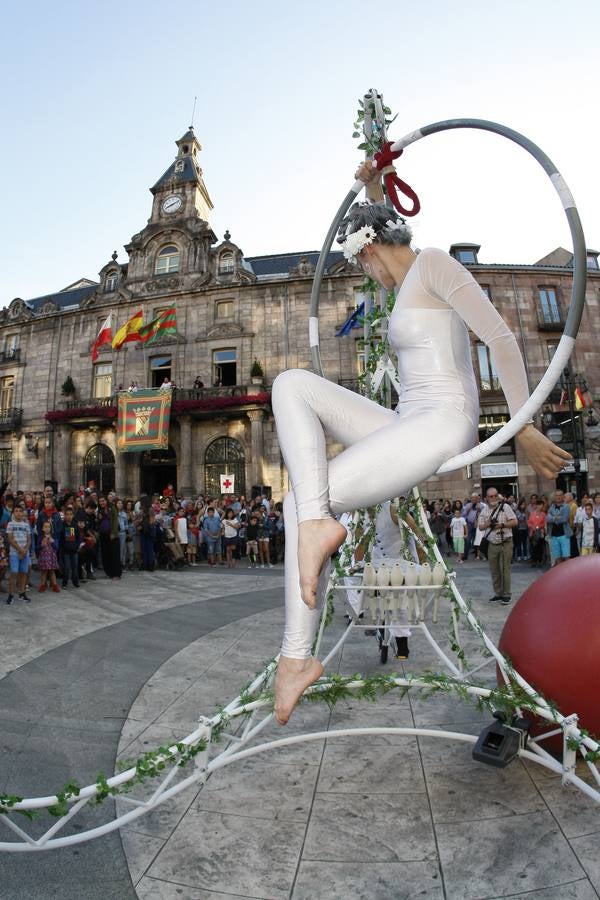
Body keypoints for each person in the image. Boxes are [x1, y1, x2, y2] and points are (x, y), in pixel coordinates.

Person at [270, 161, 571, 725]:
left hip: (442, 421)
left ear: (367, 250)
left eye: (361, 259)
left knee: (298, 503)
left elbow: (501, 338)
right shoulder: (406, 281)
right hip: (404, 418)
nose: (367, 274)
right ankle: (315, 526)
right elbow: (380, 224)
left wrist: (521, 424)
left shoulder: (432, 263)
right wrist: (372, 187)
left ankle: (296, 656)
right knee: (291, 385)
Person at [478, 488, 518, 604]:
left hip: (506, 541)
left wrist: (502, 525)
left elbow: (515, 522)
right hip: (492, 543)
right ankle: (498, 593)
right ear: (486, 498)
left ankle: (506, 594)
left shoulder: (505, 507)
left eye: (495, 495)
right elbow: (480, 527)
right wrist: (488, 523)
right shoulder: (484, 511)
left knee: (505, 568)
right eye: (491, 496)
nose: (493, 498)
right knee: (494, 569)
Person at [6, 505, 32, 604]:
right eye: (16, 511)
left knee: (23, 573)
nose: (18, 513)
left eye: (20, 511)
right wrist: (20, 550)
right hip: (14, 553)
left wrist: (25, 550)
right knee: (14, 573)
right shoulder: (10, 524)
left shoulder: (26, 525)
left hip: (25, 553)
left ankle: (22, 593)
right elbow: (10, 539)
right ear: (13, 513)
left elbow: (29, 539)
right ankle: (11, 595)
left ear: (23, 513)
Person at [546, 489, 572, 566]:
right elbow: (547, 519)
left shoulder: (566, 506)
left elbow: (564, 519)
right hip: (553, 535)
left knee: (566, 556)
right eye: (557, 495)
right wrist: (556, 518)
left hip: (564, 534)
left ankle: (568, 573)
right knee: (557, 557)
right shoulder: (551, 507)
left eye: (560, 495)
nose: (558, 497)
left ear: (563, 496)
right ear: (555, 497)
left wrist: (553, 518)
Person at [59, 506, 80, 588]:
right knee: (67, 568)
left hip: (74, 550)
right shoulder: (62, 526)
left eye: (71, 514)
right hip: (65, 551)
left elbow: (78, 537)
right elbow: (61, 538)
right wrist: (62, 547)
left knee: (75, 567)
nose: (69, 516)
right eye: (67, 514)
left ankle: (75, 582)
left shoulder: (75, 525)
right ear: (64, 515)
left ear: (73, 515)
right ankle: (65, 583)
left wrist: (77, 546)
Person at [37, 520, 60, 593]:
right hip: (44, 557)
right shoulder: (40, 537)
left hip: (51, 557)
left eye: (48, 527)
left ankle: (54, 585)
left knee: (52, 571)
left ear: (51, 528)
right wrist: (41, 544)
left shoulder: (53, 537)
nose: (47, 528)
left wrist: (52, 542)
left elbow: (56, 548)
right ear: (42, 528)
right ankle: (43, 585)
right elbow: (37, 548)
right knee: (44, 572)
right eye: (45, 527)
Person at [527, 499, 547, 568]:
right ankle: (534, 561)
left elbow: (545, 523)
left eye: (541, 505)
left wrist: (539, 526)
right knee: (533, 547)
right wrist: (532, 527)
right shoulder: (532, 514)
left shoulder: (543, 514)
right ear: (536, 505)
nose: (540, 507)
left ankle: (540, 561)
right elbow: (529, 522)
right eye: (539, 505)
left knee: (540, 547)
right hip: (533, 532)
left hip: (540, 532)